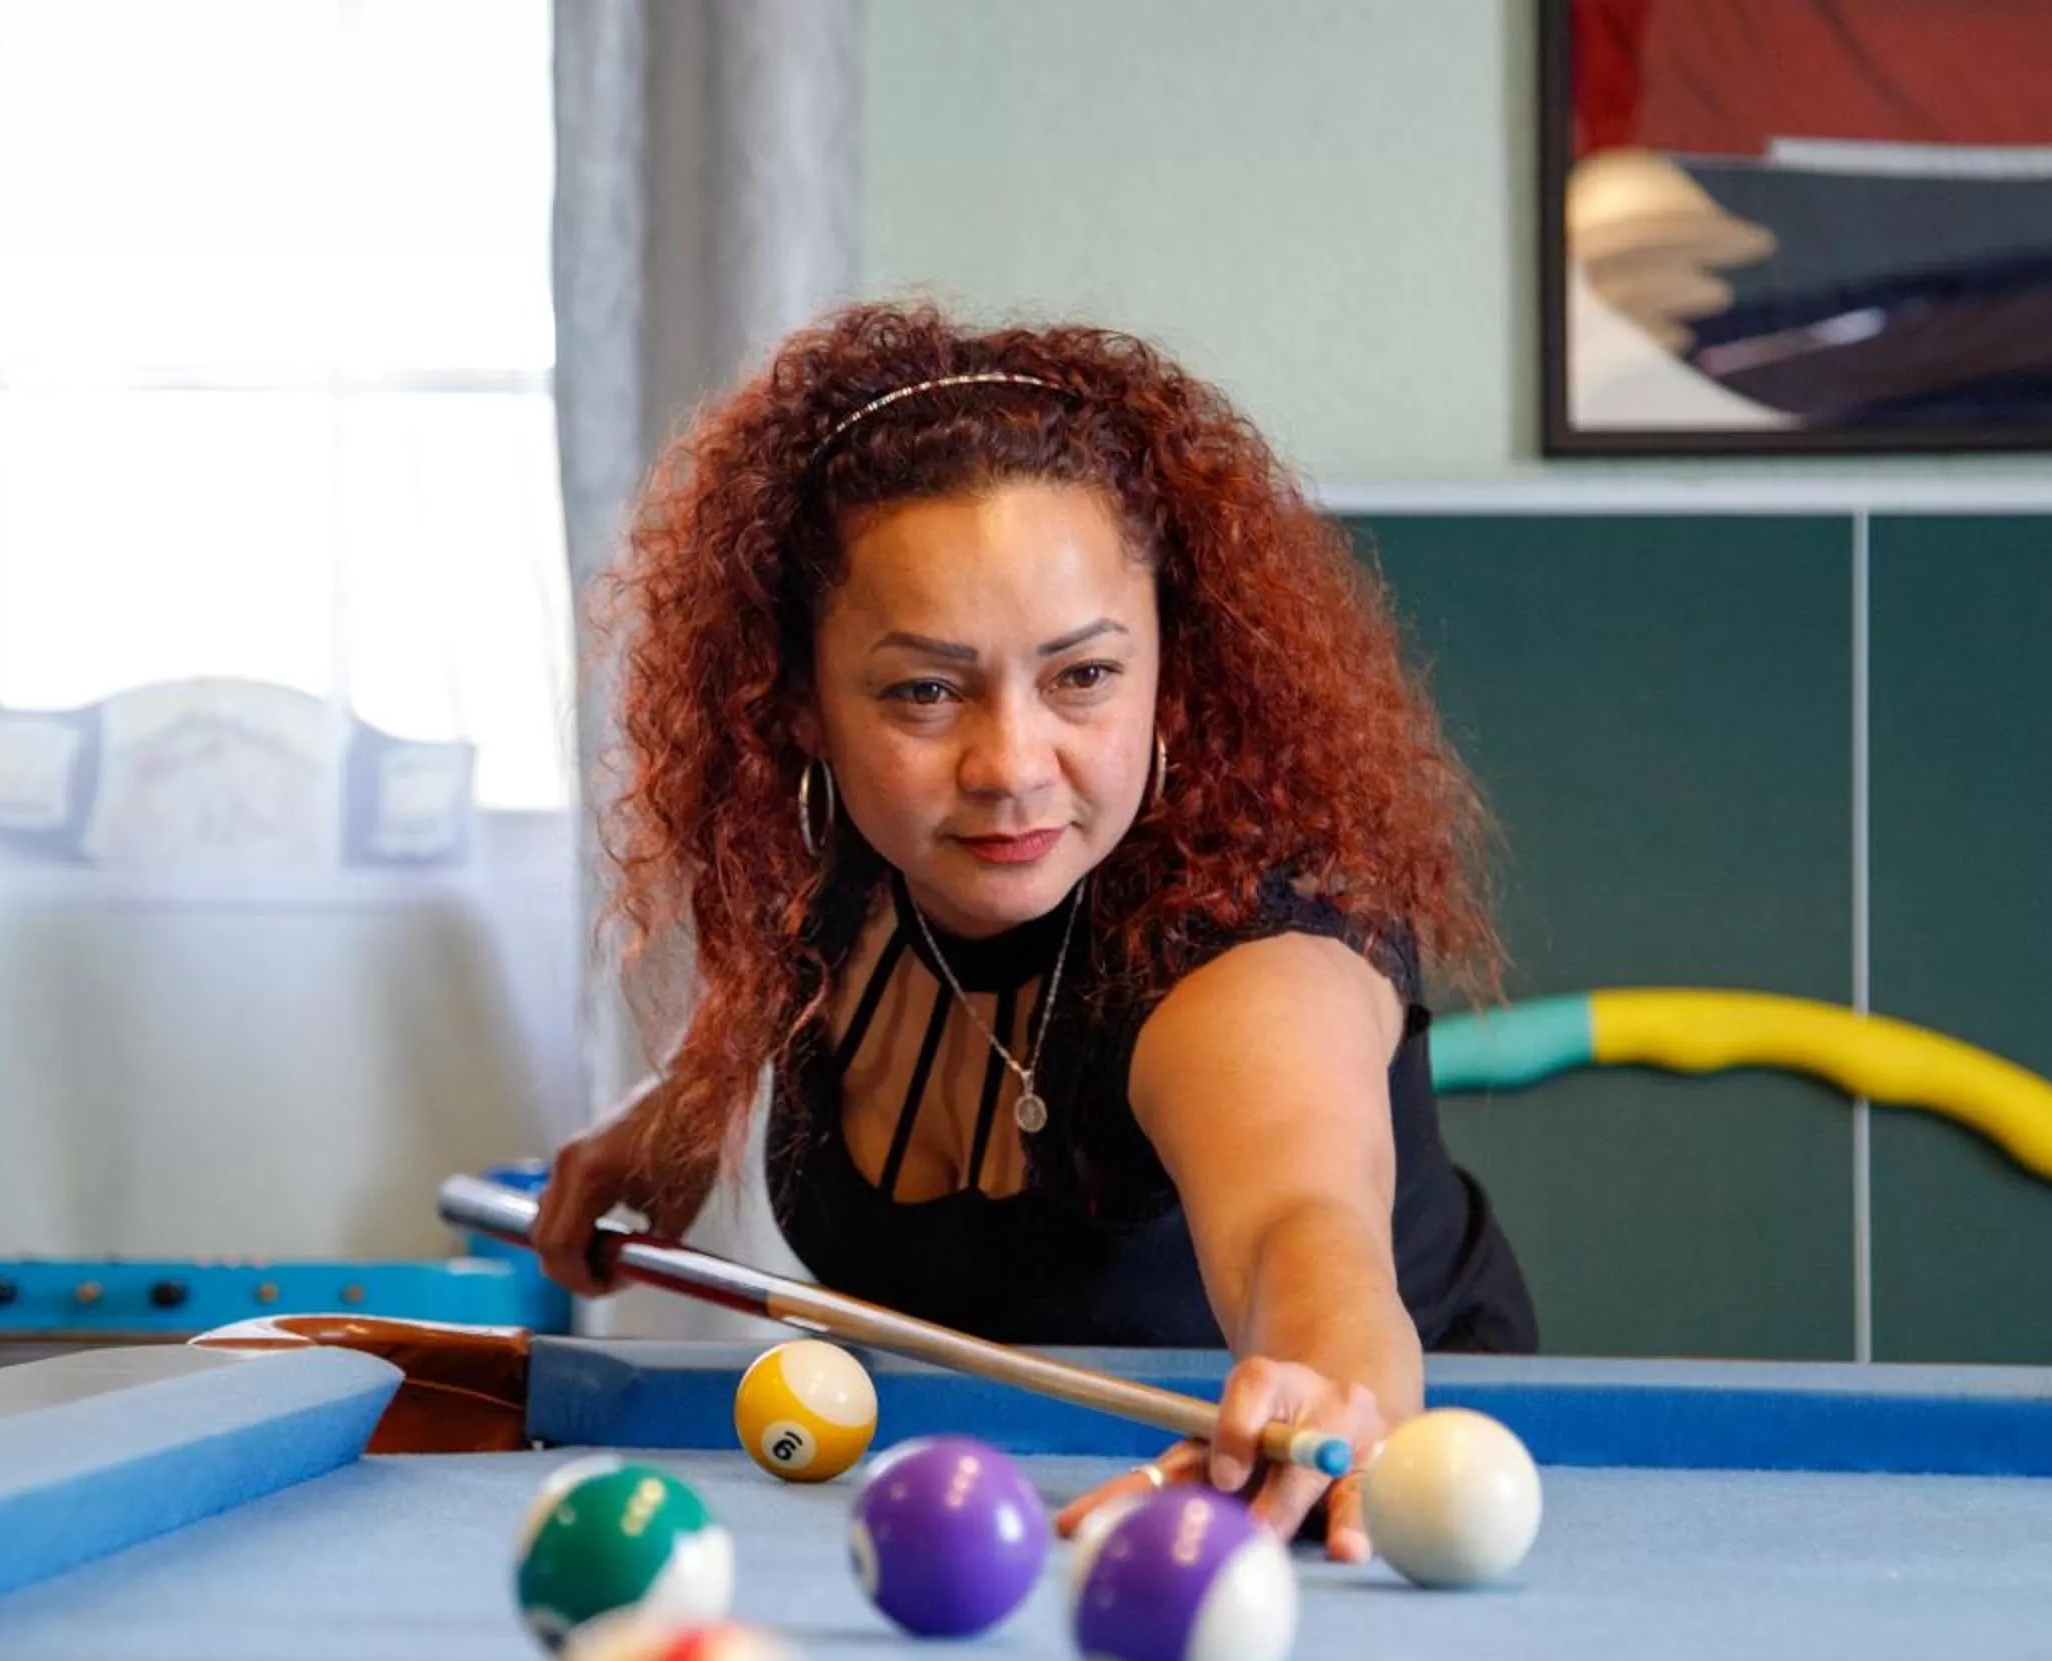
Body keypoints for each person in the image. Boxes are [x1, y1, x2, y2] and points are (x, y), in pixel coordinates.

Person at [530, 301, 1535, 1562]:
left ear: (1177, 660)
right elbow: (793, 991)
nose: (1010, 765)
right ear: (796, 704)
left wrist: (1328, 1405)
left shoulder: (1247, 947)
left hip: (1364, 1512)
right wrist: (674, 1115)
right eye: (925, 690)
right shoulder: (845, 861)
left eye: (1084, 676)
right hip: (982, 1520)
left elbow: (1301, 1216)